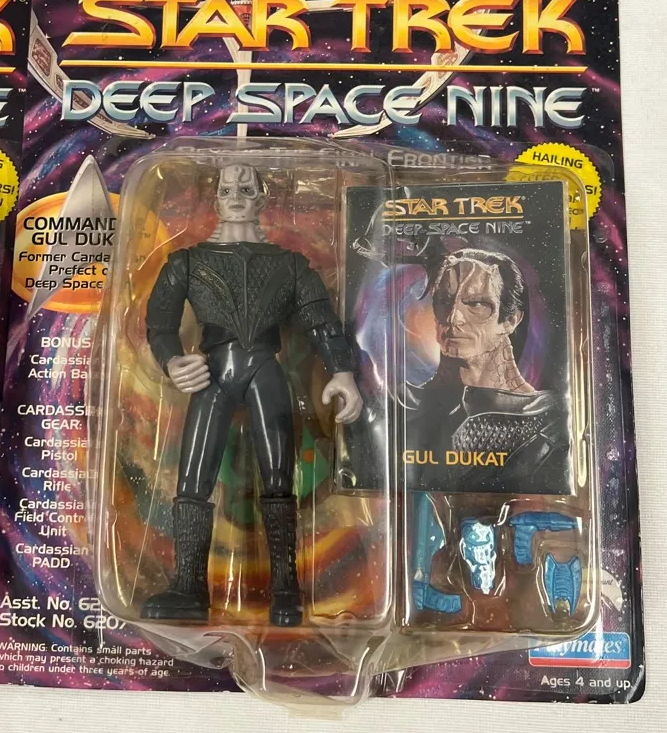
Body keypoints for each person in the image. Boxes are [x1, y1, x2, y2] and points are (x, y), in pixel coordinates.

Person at [143, 164, 363, 626]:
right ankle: (188, 585)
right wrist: (172, 361)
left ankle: (286, 588)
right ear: (216, 198)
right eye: (227, 189)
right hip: (212, 372)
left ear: (262, 198)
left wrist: (342, 372)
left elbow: (321, 322)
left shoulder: (290, 265)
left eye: (246, 188)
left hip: (266, 368)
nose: (236, 196)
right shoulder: (187, 262)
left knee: (279, 479)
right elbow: (160, 326)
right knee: (193, 479)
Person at [402, 248, 570, 494]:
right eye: (444, 301)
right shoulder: (399, 405)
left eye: (477, 304)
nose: (454, 318)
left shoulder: (552, 419)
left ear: (510, 321)